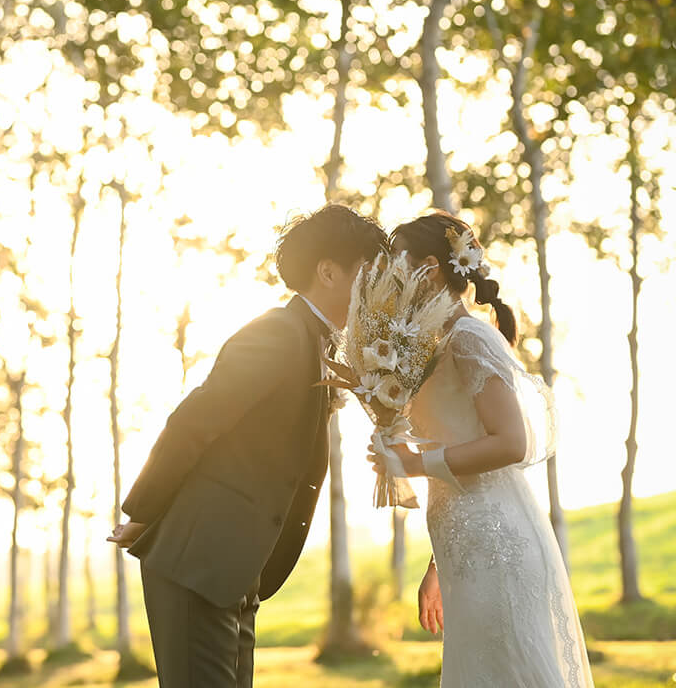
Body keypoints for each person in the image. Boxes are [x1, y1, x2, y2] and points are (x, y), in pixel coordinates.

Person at [107, 204, 387, 688]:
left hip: (235, 571)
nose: (379, 288)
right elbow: (195, 419)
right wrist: (145, 512)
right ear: (328, 272)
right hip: (197, 563)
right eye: (370, 272)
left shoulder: (317, 343)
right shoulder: (279, 332)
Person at [376, 211, 595, 687]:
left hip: (497, 540)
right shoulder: (433, 345)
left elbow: (510, 442)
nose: (391, 281)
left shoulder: (470, 336)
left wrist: (418, 462)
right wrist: (436, 564)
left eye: (397, 267)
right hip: (462, 542)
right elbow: (458, 439)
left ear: (430, 268)